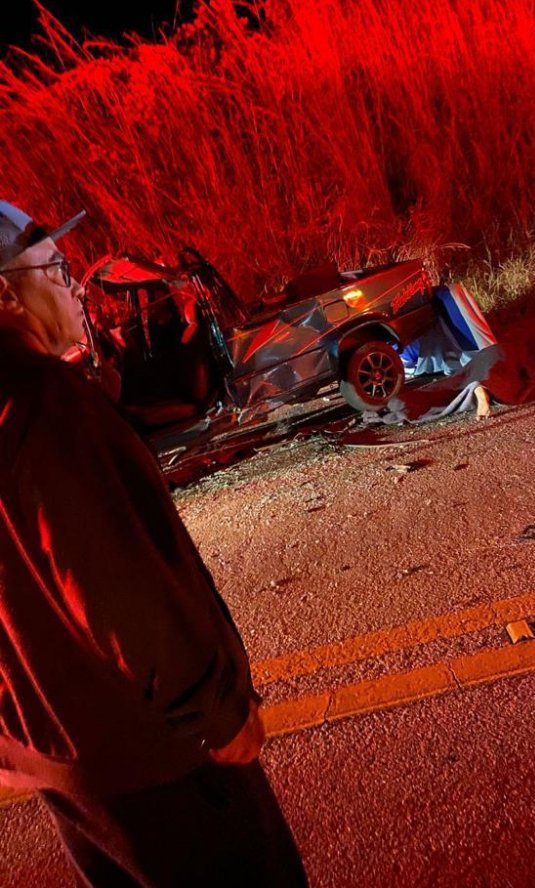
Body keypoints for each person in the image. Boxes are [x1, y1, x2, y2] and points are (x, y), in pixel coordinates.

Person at [0, 201, 307, 887]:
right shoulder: (42, 401)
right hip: (154, 754)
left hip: (65, 761)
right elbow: (113, 586)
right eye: (52, 266)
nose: (73, 284)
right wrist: (215, 710)